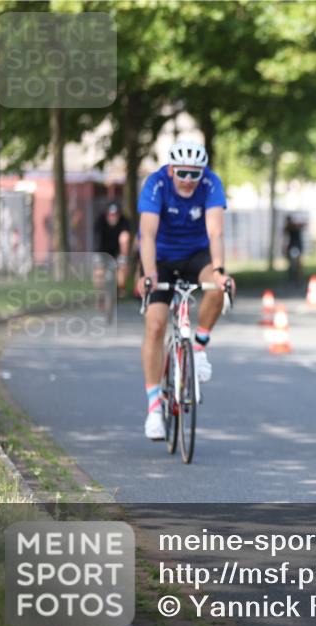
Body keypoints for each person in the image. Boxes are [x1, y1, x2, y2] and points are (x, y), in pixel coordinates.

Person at [135, 140, 234, 440]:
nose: (189, 181)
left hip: (196, 255)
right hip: (161, 258)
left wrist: (219, 270)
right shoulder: (155, 184)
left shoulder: (210, 183)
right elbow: (147, 234)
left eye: (195, 174)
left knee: (217, 289)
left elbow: (215, 230)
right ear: (171, 169)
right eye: (182, 174)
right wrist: (149, 273)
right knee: (155, 325)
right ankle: (154, 408)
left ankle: (199, 347)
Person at [93, 201, 131, 297]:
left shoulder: (124, 221)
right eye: (110, 215)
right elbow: (97, 240)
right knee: (99, 272)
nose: (113, 217)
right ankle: (100, 294)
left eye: (115, 215)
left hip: (117, 252)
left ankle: (120, 288)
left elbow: (125, 239)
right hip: (102, 251)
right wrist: (99, 260)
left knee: (121, 276)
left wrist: (123, 258)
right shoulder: (100, 221)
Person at [282, 213, 306, 283]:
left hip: (295, 247)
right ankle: (295, 278)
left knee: (296, 264)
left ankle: (296, 278)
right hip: (295, 247)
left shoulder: (292, 226)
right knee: (294, 264)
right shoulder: (291, 227)